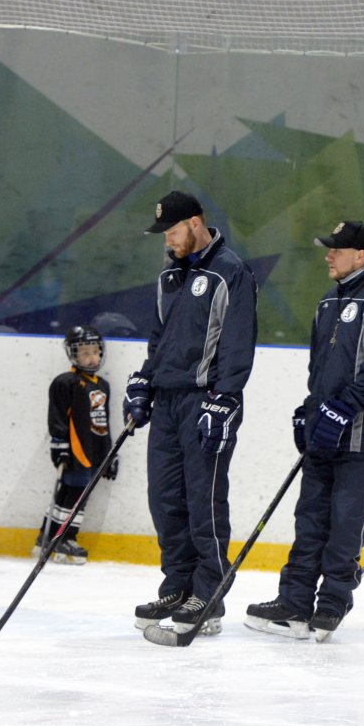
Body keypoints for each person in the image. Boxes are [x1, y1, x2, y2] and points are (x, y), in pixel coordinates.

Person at [245, 221, 364, 640]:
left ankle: (332, 604)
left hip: (363, 437)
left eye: (337, 249)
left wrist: (341, 412)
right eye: (328, 249)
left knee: (345, 524)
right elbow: (319, 371)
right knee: (310, 520)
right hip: (324, 432)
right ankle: (295, 603)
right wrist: (310, 409)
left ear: (361, 256)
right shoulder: (326, 303)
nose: (328, 256)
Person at [124, 191, 258, 637]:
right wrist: (146, 379)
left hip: (207, 401)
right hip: (167, 403)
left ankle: (209, 593)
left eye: (175, 231)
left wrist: (225, 398)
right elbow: (159, 340)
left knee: (204, 500)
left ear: (197, 223)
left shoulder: (230, 272)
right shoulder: (169, 276)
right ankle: (178, 585)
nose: (168, 240)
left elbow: (237, 344)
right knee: (165, 500)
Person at [41, 325, 117, 564]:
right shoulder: (65, 383)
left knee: (77, 496)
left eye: (94, 351)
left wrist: (110, 455)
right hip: (75, 450)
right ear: (72, 355)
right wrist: (59, 446)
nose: (91, 357)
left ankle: (53, 537)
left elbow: (104, 423)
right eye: (84, 352)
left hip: (95, 451)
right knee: (71, 495)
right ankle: (62, 538)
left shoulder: (102, 385)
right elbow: (57, 418)